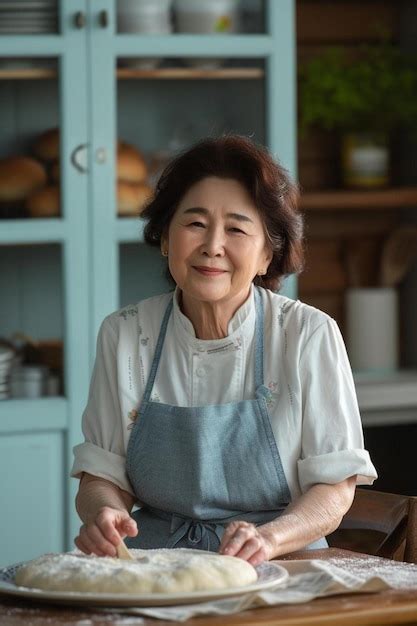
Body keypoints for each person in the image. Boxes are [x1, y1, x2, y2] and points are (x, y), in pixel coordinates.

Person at [71, 135, 377, 566]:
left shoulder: (307, 334)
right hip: (155, 566)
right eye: (194, 223)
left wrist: (268, 539)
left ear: (268, 255)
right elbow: (102, 473)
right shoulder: (125, 334)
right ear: (165, 238)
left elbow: (335, 487)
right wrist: (105, 513)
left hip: (282, 563)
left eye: (236, 228)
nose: (212, 245)